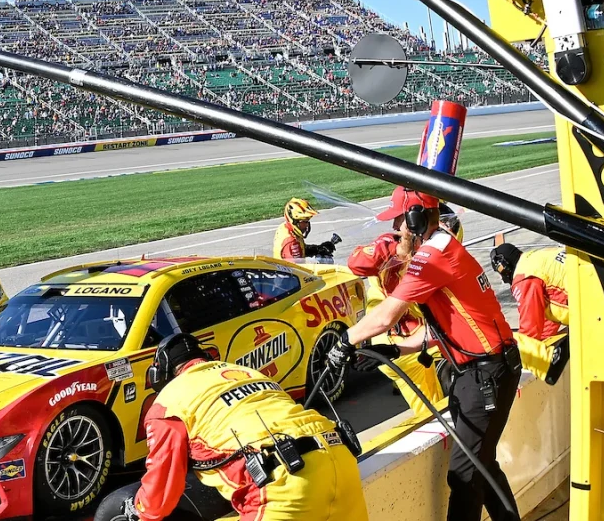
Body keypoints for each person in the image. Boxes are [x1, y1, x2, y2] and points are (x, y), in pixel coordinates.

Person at [327, 186, 521, 521]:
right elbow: (452, 325)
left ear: (416, 220)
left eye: (400, 221)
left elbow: (387, 315)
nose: (396, 229)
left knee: (463, 474)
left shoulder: (431, 257)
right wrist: (399, 347)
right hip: (482, 370)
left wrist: (346, 340)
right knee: (481, 465)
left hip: (484, 375)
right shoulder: (445, 246)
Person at [95, 334, 367, 521]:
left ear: (160, 377)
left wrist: (138, 508)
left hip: (285, 484)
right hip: (340, 459)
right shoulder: (246, 373)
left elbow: (162, 487)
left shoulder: (170, 400)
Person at [346, 227, 444, 422]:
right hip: (406, 342)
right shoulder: (392, 246)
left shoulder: (423, 248)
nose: (396, 225)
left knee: (431, 405)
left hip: (406, 339)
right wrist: (396, 249)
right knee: (434, 410)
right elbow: (356, 262)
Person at [490, 243, 570, 385]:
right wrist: (542, 341)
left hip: (596, 307)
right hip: (597, 294)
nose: (503, 279)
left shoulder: (524, 276)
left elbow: (530, 328)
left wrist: (522, 356)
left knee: (511, 339)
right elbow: (548, 314)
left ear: (504, 266)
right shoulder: (537, 258)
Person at [273, 198, 337, 261]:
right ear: (295, 221)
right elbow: (297, 268)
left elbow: (300, 250)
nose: (307, 225)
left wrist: (317, 249)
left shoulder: (286, 228)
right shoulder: (291, 242)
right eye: (305, 222)